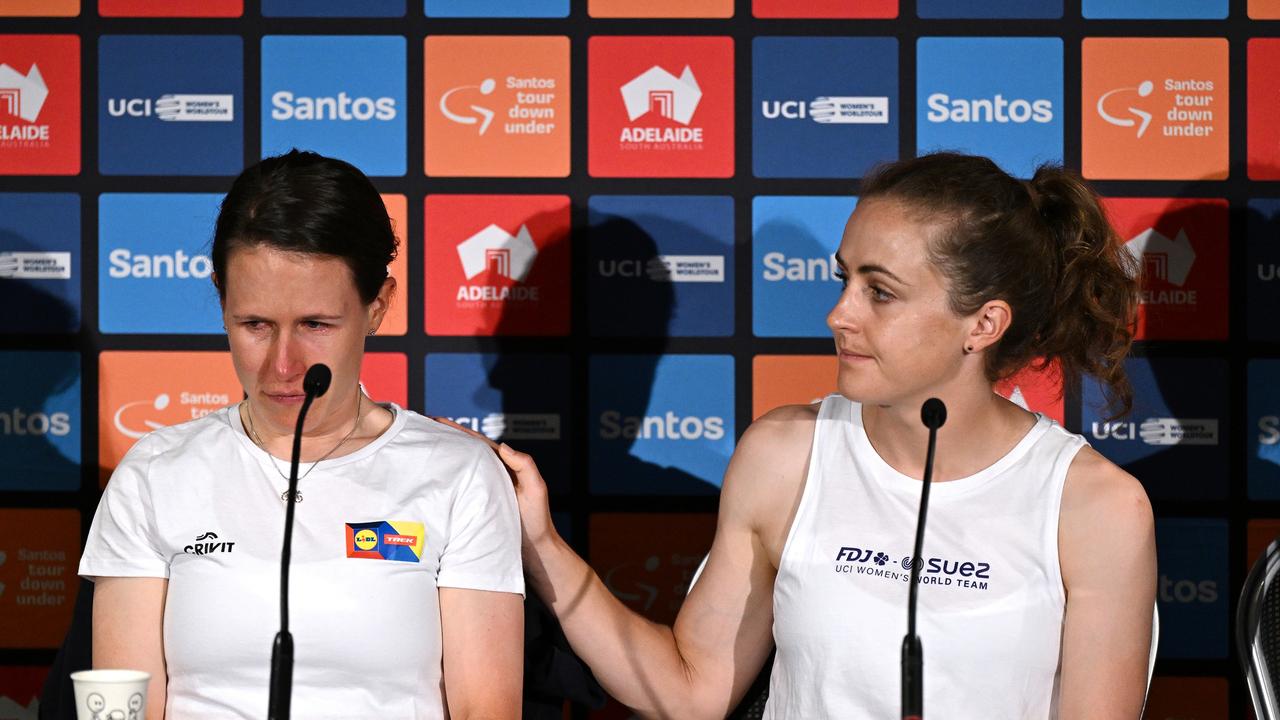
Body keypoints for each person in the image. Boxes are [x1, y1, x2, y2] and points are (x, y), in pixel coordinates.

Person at [484, 152, 1157, 718]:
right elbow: (689, 692)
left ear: (983, 325)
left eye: (880, 292)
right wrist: (541, 543)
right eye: (845, 279)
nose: (839, 314)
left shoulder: (1095, 507)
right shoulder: (786, 454)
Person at [78, 150, 524, 719]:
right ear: (221, 301)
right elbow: (121, 709)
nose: (283, 366)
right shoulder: (155, 473)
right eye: (255, 325)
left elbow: (485, 711)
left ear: (378, 306)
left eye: (315, 325)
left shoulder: (458, 474)